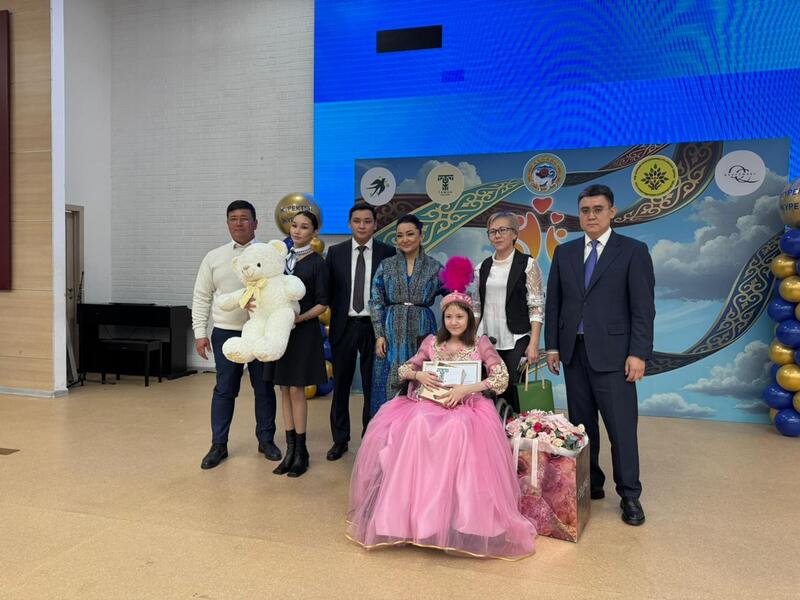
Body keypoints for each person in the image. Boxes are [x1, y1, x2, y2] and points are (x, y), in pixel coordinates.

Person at [347, 259, 536, 560]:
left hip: (467, 406)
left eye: (460, 317)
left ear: (469, 318)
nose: (454, 322)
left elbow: (500, 378)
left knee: (457, 428)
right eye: (449, 317)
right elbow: (404, 369)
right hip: (429, 403)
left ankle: (460, 520)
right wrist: (419, 375)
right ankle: (412, 520)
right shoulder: (432, 343)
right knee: (418, 423)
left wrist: (467, 389)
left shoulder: (480, 344)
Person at [544, 184, 655, 526]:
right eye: (585, 210)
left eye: (598, 209)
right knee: (581, 426)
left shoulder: (633, 251)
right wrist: (553, 346)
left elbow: (643, 308)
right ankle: (589, 482)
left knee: (621, 429)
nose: (591, 216)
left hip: (615, 356)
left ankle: (630, 495)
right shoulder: (564, 253)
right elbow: (554, 303)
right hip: (574, 354)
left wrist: (638, 353)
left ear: (612, 212)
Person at [192, 200, 280, 470]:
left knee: (264, 388)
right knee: (224, 389)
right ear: (227, 223)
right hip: (226, 333)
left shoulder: (269, 254)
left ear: (255, 223)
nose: (239, 223)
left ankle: (266, 440)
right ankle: (218, 445)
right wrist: (200, 332)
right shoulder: (214, 257)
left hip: (261, 332)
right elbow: (201, 296)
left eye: (244, 218)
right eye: (233, 218)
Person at [325, 204, 396, 461]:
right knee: (341, 386)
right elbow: (328, 291)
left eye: (367, 221)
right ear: (349, 223)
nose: (362, 225)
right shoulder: (335, 253)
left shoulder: (388, 253)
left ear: (375, 224)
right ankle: (340, 440)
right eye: (357, 221)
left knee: (372, 386)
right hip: (343, 326)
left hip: (375, 328)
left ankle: (370, 439)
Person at [267, 210, 329, 478]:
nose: (297, 231)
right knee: (283, 388)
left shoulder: (317, 263)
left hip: (303, 332)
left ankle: (301, 452)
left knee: (296, 389)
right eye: (294, 225)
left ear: (314, 233)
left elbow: (322, 303)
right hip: (280, 332)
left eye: (304, 227)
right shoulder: (279, 260)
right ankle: (290, 450)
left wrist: (299, 318)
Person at [369, 214, 443, 416]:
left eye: (410, 234)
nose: (404, 239)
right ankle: (387, 429)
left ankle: (419, 428)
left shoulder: (434, 266)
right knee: (390, 379)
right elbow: (376, 300)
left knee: (422, 377)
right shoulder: (386, 265)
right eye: (399, 235)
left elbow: (453, 295)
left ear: (421, 236)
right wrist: (379, 335)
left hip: (423, 330)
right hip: (391, 331)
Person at [473, 211, 545, 412]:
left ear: (515, 233)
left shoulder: (528, 264)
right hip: (486, 337)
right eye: (492, 231)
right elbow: (477, 307)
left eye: (502, 230)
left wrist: (533, 343)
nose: (497, 235)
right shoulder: (482, 267)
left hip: (516, 336)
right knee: (487, 388)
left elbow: (536, 305)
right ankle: (491, 427)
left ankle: (513, 427)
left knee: (512, 386)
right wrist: (470, 338)